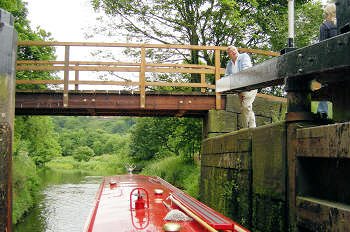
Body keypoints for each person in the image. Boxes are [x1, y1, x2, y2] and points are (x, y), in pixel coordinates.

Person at [224, 46, 257, 128]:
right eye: (231, 51)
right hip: (240, 88)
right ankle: (252, 127)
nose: (233, 52)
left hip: (250, 85)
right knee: (245, 108)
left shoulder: (244, 56)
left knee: (246, 106)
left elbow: (245, 69)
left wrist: (233, 78)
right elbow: (226, 77)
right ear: (229, 54)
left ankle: (246, 128)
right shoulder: (229, 64)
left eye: (234, 49)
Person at [317, 3, 337, 118]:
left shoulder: (325, 26)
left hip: (329, 61)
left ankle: (322, 114)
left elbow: (322, 45)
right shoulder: (339, 25)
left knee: (323, 86)